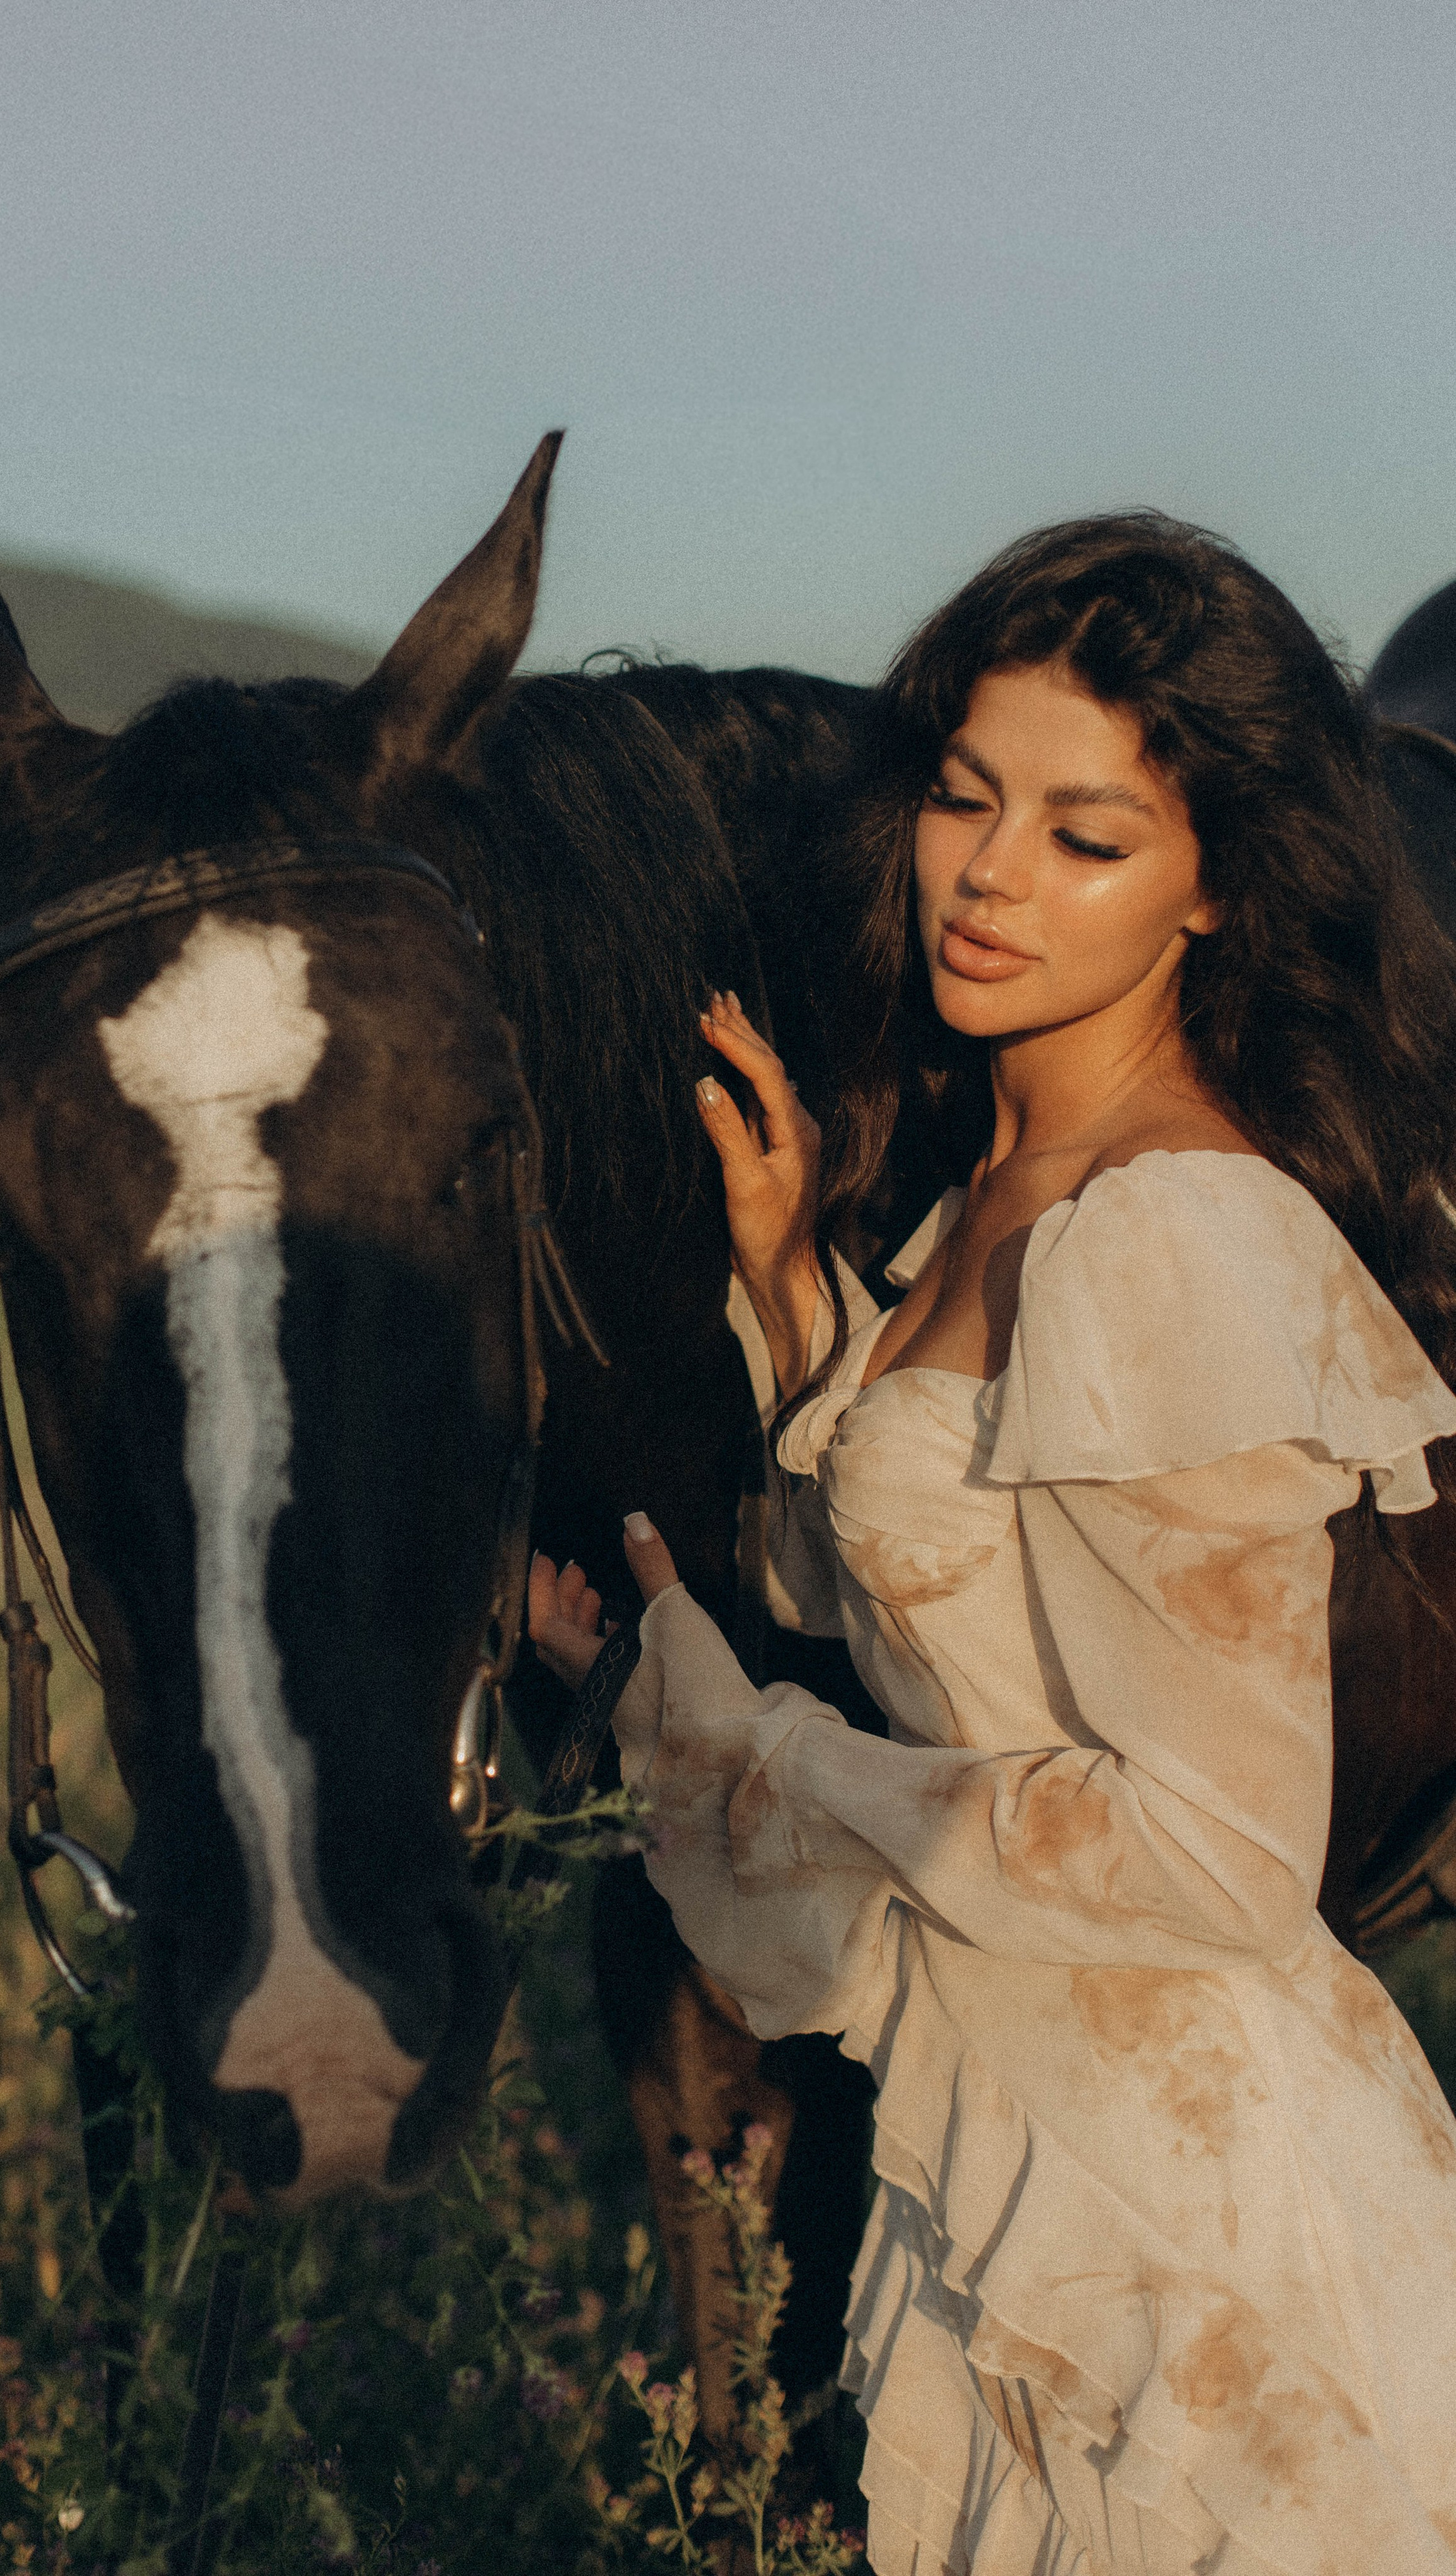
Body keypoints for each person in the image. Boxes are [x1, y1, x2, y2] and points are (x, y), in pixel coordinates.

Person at [529, 515, 1456, 2575]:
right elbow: (955, 1615)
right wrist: (799, 1312)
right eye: (966, 795)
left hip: (1193, 2237)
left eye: (1089, 834)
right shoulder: (1006, 1194)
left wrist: (725, 1728)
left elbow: (1216, 1853)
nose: (989, 876)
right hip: (1021, 2140)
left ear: (1218, 882)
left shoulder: (1176, 1235)